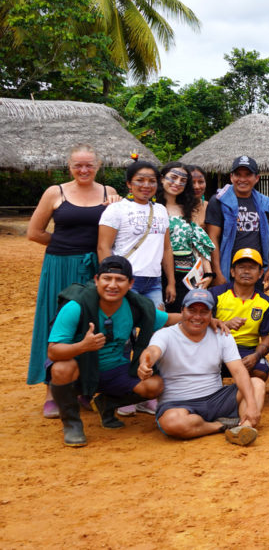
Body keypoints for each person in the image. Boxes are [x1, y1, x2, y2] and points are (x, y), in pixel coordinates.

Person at [27, 144, 119, 418]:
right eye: (78, 165)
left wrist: (117, 206)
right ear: (69, 166)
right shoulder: (55, 192)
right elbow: (34, 232)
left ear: (98, 165)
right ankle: (51, 390)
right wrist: (65, 246)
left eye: (89, 165)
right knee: (55, 323)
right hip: (59, 266)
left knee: (88, 325)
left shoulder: (109, 193)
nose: (83, 170)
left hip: (95, 268)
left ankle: (81, 389)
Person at [45, 255, 171, 446]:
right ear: (96, 280)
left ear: (130, 284)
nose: (112, 285)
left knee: (154, 385)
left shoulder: (136, 306)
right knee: (61, 368)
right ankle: (72, 423)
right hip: (81, 369)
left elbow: (169, 319)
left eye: (120, 280)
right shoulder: (76, 306)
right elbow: (53, 352)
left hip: (114, 368)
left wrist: (208, 320)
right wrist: (83, 346)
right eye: (107, 279)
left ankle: (106, 404)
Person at [141, 288, 264, 446]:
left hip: (216, 398)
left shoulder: (222, 335)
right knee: (173, 422)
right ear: (182, 311)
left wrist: (252, 404)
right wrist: (146, 362)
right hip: (178, 403)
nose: (197, 317)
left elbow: (239, 371)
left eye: (204, 311)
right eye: (192, 310)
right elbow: (153, 351)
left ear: (211, 314)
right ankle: (220, 426)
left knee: (257, 384)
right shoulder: (165, 335)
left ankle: (243, 429)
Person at [98, 160, 173, 309]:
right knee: (126, 324)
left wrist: (171, 282)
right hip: (125, 278)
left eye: (152, 181)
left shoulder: (161, 210)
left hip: (154, 280)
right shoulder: (116, 209)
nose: (146, 185)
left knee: (157, 323)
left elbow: (166, 249)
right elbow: (103, 247)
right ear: (129, 184)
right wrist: (111, 278)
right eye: (140, 180)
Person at [204, 155, 269, 287]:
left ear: (256, 178)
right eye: (238, 174)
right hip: (229, 270)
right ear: (231, 177)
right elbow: (212, 239)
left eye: (248, 175)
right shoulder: (219, 201)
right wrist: (217, 273)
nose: (242, 179)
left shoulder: (265, 204)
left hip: (256, 270)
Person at [209, 249, 269, 381]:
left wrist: (256, 356)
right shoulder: (215, 294)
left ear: (260, 273)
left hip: (247, 351)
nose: (246, 272)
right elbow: (199, 323)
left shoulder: (265, 302)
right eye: (241, 267)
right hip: (216, 347)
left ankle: (242, 395)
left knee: (260, 372)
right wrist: (225, 324)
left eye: (251, 268)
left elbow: (267, 338)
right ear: (232, 272)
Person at [159, 161, 213, 311]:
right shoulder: (152, 207)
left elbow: (199, 243)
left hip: (189, 276)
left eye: (183, 181)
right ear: (162, 178)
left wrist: (208, 274)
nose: (177, 183)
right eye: (173, 177)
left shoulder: (187, 209)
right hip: (159, 275)